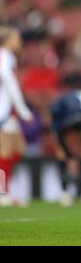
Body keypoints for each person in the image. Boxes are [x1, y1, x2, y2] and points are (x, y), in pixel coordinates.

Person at [0, 26, 33, 206]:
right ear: (7, 40)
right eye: (16, 38)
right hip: (4, 113)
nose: (19, 41)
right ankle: (3, 194)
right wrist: (22, 110)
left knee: (19, 149)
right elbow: (8, 79)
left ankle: (5, 191)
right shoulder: (6, 55)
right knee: (5, 151)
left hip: (7, 112)